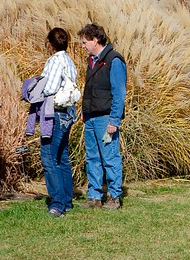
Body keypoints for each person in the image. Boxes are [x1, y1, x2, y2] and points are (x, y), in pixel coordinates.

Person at [78, 23, 127, 210]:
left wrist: (114, 120)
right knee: (92, 158)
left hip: (106, 118)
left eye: (84, 42)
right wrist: (85, 112)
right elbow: (89, 89)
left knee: (110, 157)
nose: (82, 46)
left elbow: (119, 93)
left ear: (95, 40)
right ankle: (94, 197)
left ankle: (114, 197)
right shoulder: (92, 61)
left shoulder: (114, 60)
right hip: (91, 117)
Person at [38, 27, 79, 218]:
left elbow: (50, 88)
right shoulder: (69, 61)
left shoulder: (55, 60)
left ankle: (58, 204)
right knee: (62, 157)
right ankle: (67, 200)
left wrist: (35, 87)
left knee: (49, 157)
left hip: (55, 113)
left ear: (50, 43)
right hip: (68, 114)